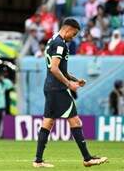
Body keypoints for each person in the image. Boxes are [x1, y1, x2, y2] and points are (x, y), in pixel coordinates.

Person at [33, 18, 108, 168]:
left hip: (50, 87)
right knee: (75, 121)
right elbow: (54, 68)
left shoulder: (52, 39)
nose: (72, 38)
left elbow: (59, 69)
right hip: (58, 88)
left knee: (48, 122)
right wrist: (69, 84)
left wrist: (74, 79)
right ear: (68, 29)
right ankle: (87, 158)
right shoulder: (60, 44)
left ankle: (38, 160)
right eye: (73, 34)